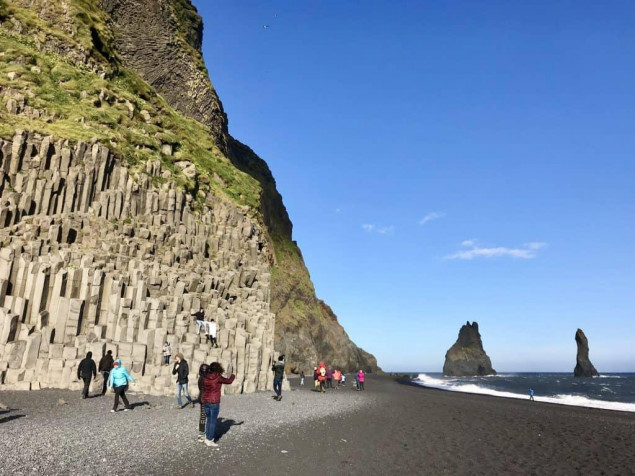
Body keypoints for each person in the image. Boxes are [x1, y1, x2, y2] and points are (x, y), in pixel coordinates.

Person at [201, 362, 235, 447]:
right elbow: (229, 381)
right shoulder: (218, 377)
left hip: (206, 401)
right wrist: (233, 375)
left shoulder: (205, 377)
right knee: (212, 422)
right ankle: (210, 440)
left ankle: (207, 438)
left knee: (208, 420)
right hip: (214, 402)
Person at [197, 363, 209, 442]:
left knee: (202, 416)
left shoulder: (200, 378)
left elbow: (200, 388)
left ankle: (201, 434)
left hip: (202, 398)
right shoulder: (208, 379)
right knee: (209, 416)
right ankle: (207, 434)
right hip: (208, 399)